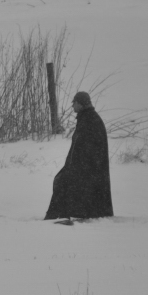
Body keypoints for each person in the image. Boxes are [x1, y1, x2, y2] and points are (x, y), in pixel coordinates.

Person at [45, 91, 113, 221]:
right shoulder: (86, 118)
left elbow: (88, 148)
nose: (72, 106)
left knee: (63, 182)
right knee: (61, 180)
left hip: (89, 168)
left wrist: (78, 167)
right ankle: (60, 214)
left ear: (81, 104)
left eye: (74, 103)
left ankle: (61, 215)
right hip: (82, 166)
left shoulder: (91, 120)